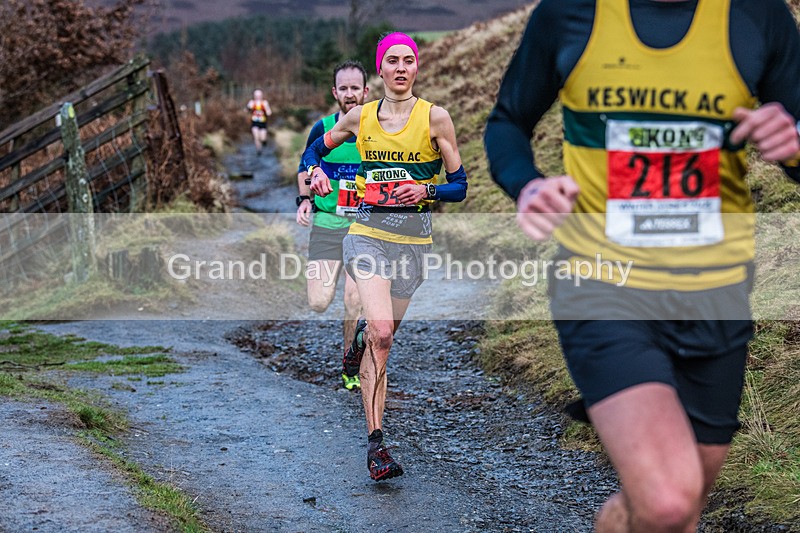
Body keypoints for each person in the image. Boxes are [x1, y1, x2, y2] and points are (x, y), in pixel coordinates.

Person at [485, 0, 800, 530]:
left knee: (674, 506)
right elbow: (507, 122)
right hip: (604, 285)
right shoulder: (569, 15)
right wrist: (528, 185)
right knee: (670, 501)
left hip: (716, 295)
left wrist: (792, 144)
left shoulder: (756, 16)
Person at [302, 32, 468, 481]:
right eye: (391, 60)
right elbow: (317, 148)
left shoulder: (436, 119)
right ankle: (376, 445)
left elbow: (460, 184)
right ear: (381, 70)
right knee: (382, 335)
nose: (399, 67)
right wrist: (314, 173)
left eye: (408, 60)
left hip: (413, 244)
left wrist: (427, 188)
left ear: (417, 68)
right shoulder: (361, 117)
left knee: (382, 336)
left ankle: (357, 344)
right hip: (367, 235)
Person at [295, 60, 369, 391]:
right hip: (327, 224)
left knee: (354, 300)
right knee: (319, 302)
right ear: (335, 92)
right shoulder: (323, 129)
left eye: (356, 87)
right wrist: (305, 200)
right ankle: (332, 273)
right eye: (344, 88)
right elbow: (304, 167)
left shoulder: (379, 131)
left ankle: (350, 363)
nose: (350, 94)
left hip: (364, 228)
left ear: (366, 91)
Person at [246, 89, 272, 155]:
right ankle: (258, 150)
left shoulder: (264, 103)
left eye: (259, 95)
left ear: (261, 96)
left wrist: (268, 112)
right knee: (256, 137)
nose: (258, 97)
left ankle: (264, 141)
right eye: (256, 96)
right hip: (254, 122)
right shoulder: (251, 102)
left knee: (262, 138)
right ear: (254, 96)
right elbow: (246, 110)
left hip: (263, 122)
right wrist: (248, 108)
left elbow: (269, 112)